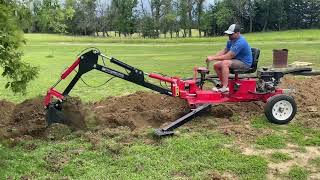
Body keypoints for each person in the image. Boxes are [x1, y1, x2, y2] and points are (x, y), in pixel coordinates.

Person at [206, 24, 253, 92]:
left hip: (244, 63)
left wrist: (213, 58)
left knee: (225, 63)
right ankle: (224, 85)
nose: (229, 36)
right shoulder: (231, 40)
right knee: (216, 65)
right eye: (228, 34)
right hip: (236, 60)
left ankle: (225, 87)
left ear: (237, 33)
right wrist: (213, 57)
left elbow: (229, 56)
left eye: (231, 34)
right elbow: (225, 51)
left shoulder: (241, 42)